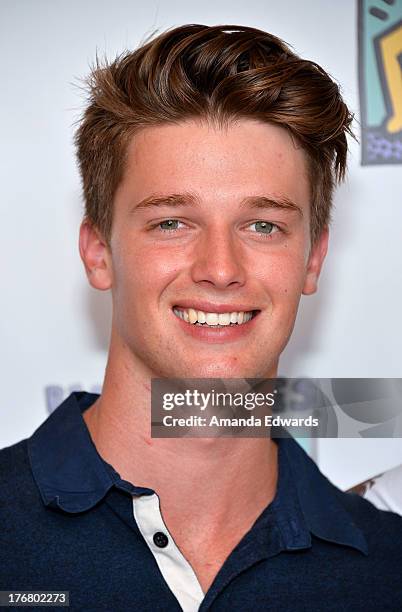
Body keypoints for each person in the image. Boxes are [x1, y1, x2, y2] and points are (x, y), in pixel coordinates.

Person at [1, 23, 401, 612]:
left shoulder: (388, 570)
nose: (220, 268)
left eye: (263, 225)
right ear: (98, 253)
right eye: (171, 222)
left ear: (313, 259)